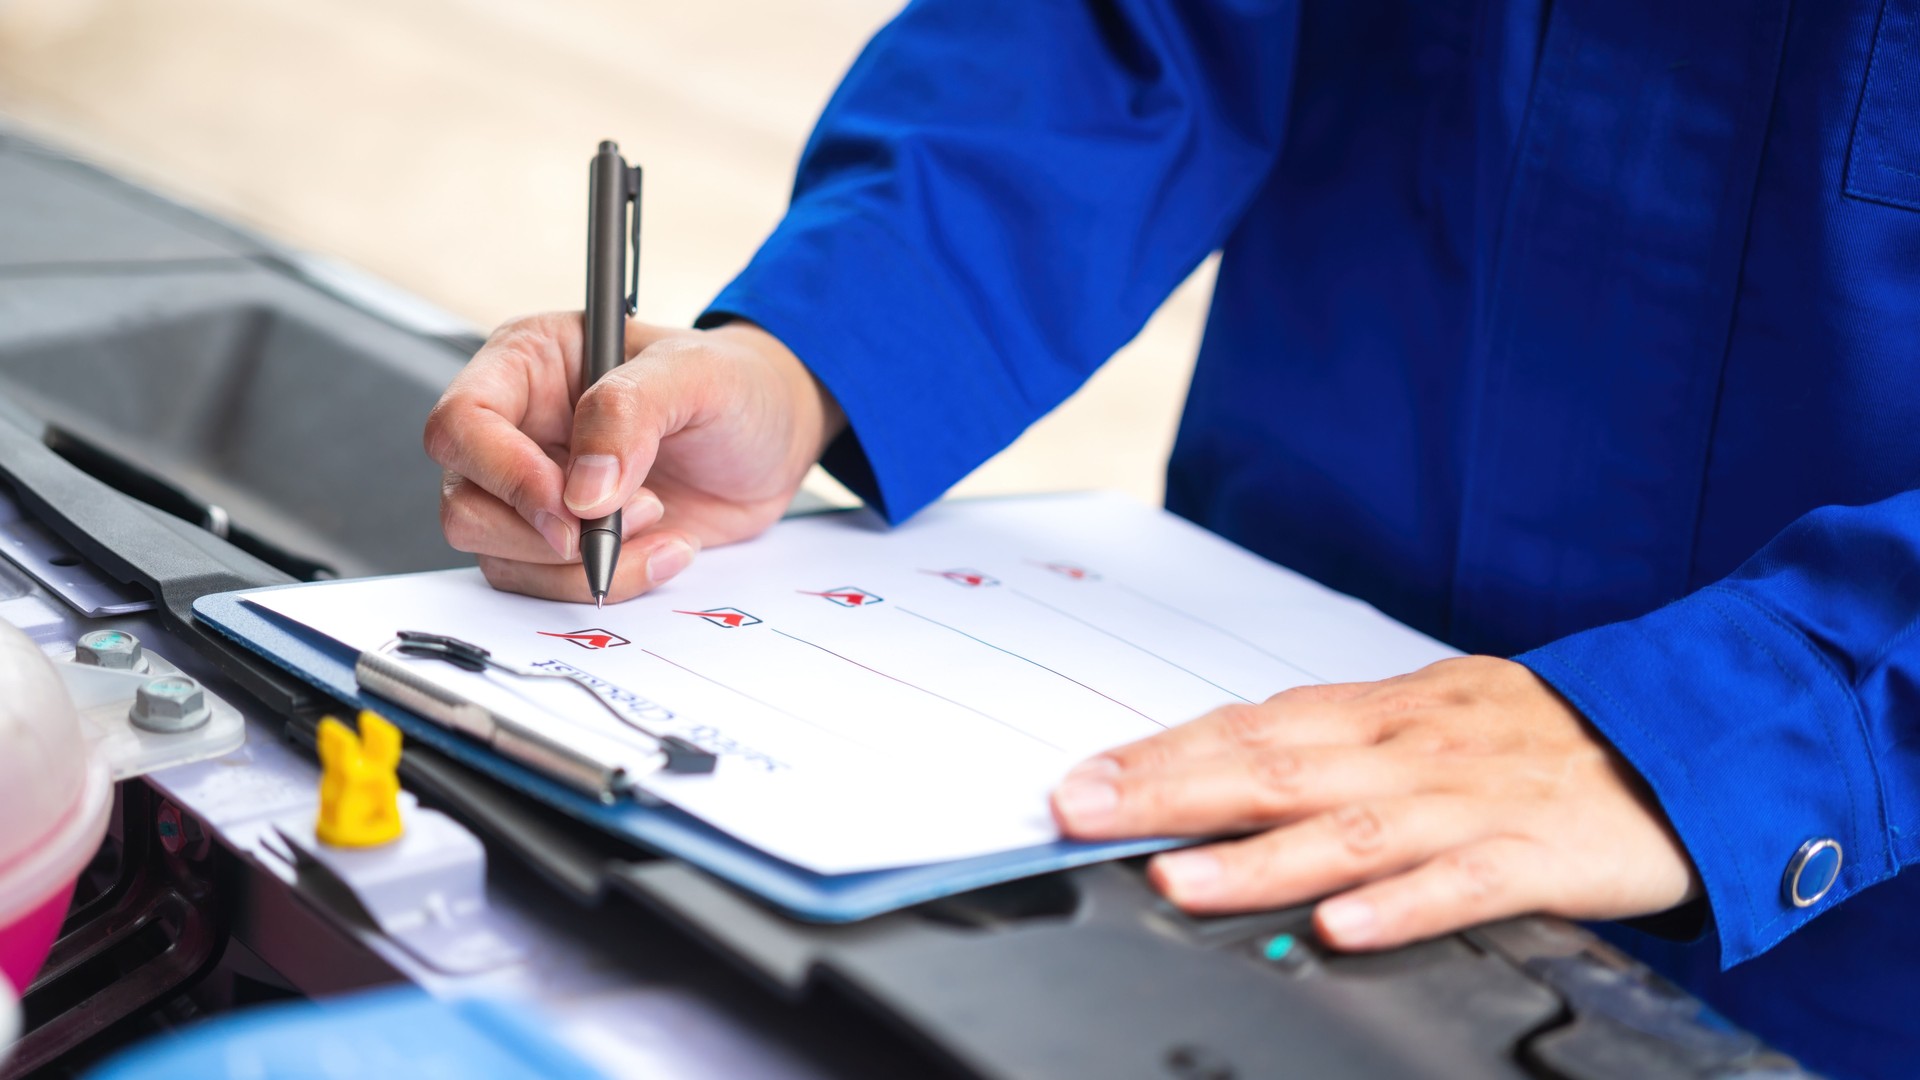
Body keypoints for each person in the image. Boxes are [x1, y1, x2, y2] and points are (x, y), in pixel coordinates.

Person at [422, 3, 1920, 1076]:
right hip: (1228, 742)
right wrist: (818, 351)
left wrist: (1768, 725)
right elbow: (1132, 29)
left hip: (1851, 953)